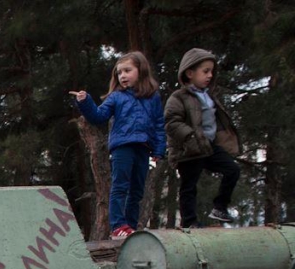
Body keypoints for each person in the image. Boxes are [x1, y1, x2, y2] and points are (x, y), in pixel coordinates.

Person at [70, 51, 166, 240]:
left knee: (138, 189)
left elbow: (158, 125)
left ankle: (130, 226)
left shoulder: (152, 97)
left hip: (144, 148)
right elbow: (98, 116)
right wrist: (85, 102)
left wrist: (159, 150)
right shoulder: (116, 97)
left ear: (141, 70)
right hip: (122, 146)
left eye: (127, 71)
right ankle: (117, 226)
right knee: (120, 185)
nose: (122, 76)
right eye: (119, 73)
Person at [164, 48, 241, 228]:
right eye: (205, 71)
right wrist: (190, 136)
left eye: (211, 71)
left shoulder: (209, 96)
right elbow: (171, 122)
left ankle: (220, 207)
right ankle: (189, 223)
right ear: (189, 73)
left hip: (209, 147)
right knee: (189, 186)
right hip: (189, 149)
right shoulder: (179, 97)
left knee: (232, 170)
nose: (209, 75)